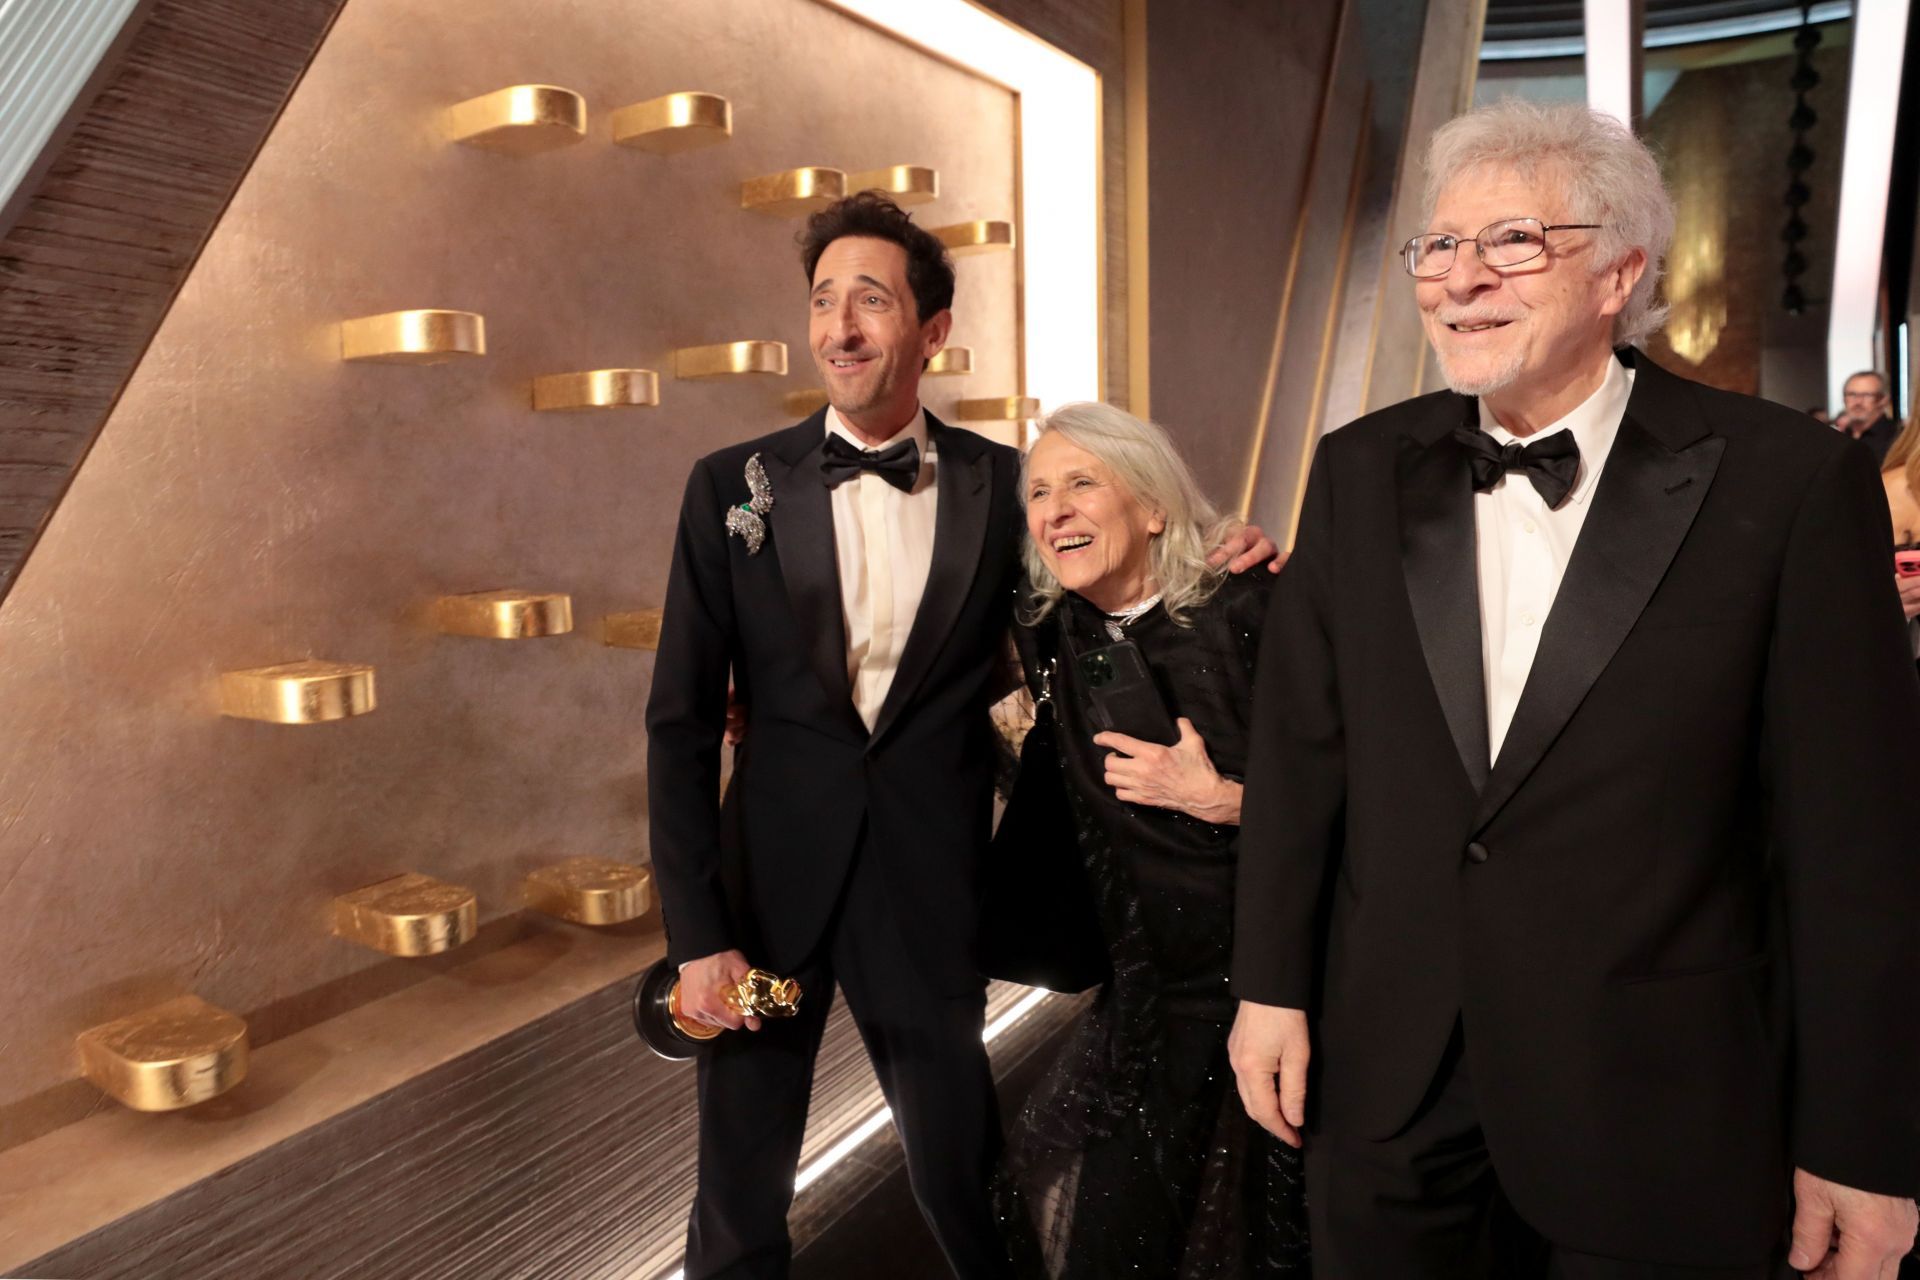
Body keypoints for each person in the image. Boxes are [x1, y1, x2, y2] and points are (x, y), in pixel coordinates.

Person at [1228, 100, 1920, 1278]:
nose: (1459, 277)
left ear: (1621, 272)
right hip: (1393, 1081)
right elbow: (1302, 756)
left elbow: (1853, 842)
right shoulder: (1357, 469)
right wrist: (1272, 988)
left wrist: (1862, 1142)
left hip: (1663, 1107)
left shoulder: (1792, 482)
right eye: (1439, 246)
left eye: (1512, 241)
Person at [646, 192, 1277, 1279]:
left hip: (927, 887)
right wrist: (700, 931)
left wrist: (1225, 553)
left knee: (965, 1178)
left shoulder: (1000, 489)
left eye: (871, 301)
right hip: (763, 897)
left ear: (932, 331)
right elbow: (681, 721)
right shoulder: (731, 488)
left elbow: (1096, 589)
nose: (840, 326)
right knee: (738, 1190)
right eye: (823, 300)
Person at [994, 403, 1310, 1278]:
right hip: (1150, 1004)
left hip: (1273, 992)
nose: (1054, 510)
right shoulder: (1056, 626)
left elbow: (1373, 795)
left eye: (1083, 483)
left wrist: (1228, 801)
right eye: (1039, 492)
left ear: (1156, 508)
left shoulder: (1254, 605)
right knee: (1118, 1239)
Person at [1835, 369, 1900, 465]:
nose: (1858, 402)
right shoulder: (1838, 438)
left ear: (1883, 400)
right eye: (1851, 394)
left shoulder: (1897, 437)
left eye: (1867, 395)